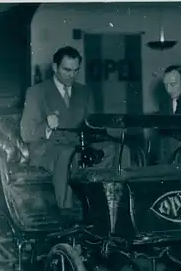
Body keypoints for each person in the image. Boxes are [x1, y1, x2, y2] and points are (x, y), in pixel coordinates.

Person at [20, 46, 120, 211]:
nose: (71, 75)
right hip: (48, 148)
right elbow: (26, 133)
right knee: (67, 154)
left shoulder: (85, 92)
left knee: (117, 149)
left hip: (78, 146)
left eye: (76, 70)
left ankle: (105, 206)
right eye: (66, 70)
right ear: (54, 67)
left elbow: (93, 126)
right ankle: (66, 212)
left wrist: (105, 135)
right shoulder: (36, 92)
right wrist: (46, 124)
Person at [148, 65, 181, 164]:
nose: (168, 90)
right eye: (165, 85)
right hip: (166, 159)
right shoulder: (164, 104)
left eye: (172, 84)